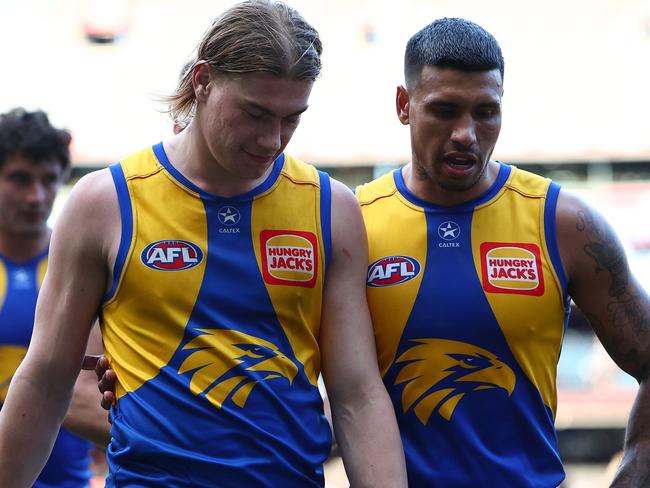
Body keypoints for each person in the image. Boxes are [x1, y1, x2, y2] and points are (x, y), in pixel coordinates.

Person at [0, 1, 407, 487]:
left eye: (292, 118)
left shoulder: (331, 210)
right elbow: (46, 380)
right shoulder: (104, 203)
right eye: (255, 113)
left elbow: (357, 394)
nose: (272, 139)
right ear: (203, 81)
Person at [355, 17, 650, 487]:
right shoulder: (354, 222)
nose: (466, 133)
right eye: (445, 110)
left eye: (485, 112)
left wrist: (635, 470)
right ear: (404, 106)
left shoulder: (563, 223)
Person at [0, 108, 108, 487]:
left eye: (49, 180)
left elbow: (88, 394)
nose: (37, 195)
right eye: (20, 179)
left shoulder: (88, 265)